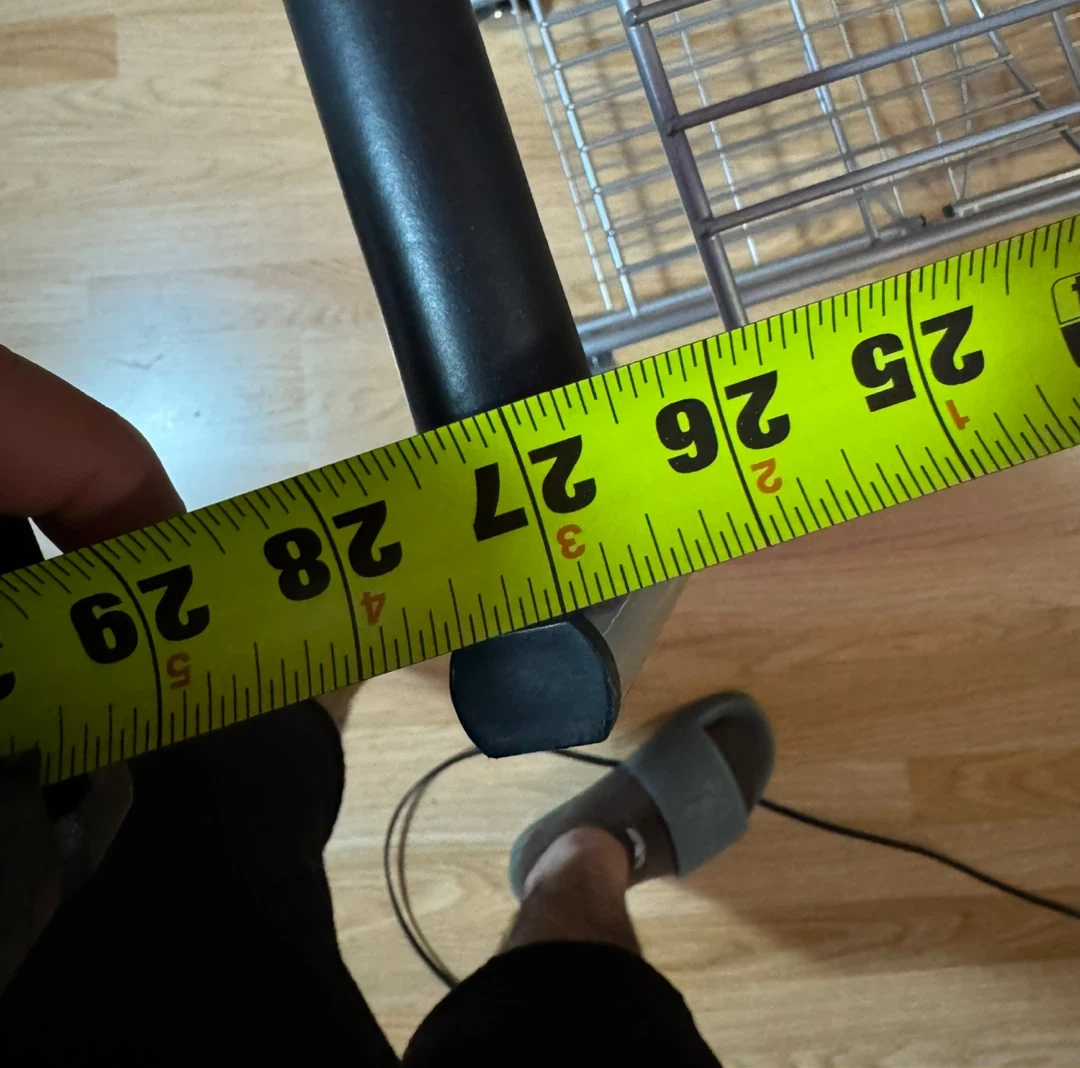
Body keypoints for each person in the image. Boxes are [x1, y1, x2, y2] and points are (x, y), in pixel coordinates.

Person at [0, 345, 774, 1064]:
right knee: (595, 1028)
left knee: (263, 753)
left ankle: (345, 656)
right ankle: (585, 859)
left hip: (80, 863)